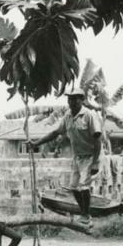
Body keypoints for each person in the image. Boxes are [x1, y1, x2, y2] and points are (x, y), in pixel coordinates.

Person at [28, 87, 102, 225]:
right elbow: (55, 133)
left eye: (75, 99)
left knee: (84, 186)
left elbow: (98, 140)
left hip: (91, 156)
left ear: (82, 100)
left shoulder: (89, 115)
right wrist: (36, 143)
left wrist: (96, 162)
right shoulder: (68, 116)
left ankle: (86, 215)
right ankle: (84, 212)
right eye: (69, 99)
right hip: (77, 157)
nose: (71, 102)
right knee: (73, 187)